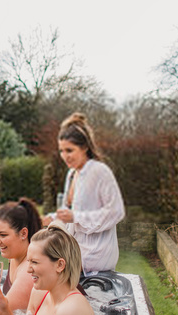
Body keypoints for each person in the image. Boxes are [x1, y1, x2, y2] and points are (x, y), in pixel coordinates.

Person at [44, 112, 125, 277]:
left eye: (69, 150)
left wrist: (76, 217)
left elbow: (116, 212)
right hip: (74, 249)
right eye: (61, 151)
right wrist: (50, 219)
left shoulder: (100, 172)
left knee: (46, 270)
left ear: (85, 147)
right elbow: (68, 215)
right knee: (36, 260)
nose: (64, 156)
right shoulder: (72, 174)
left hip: (96, 254)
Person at [0, 227, 95, 315]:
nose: (28, 270)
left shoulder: (70, 311)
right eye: (28, 261)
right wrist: (5, 312)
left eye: (34, 262)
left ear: (60, 265)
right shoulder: (39, 293)